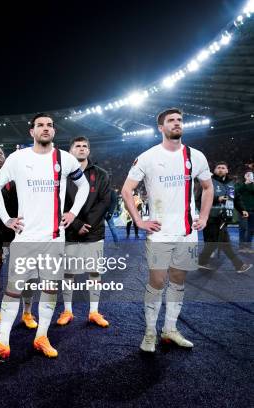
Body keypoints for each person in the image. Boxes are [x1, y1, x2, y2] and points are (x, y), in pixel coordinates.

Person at [0, 112, 89, 362]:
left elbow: (83, 186)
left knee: (49, 290)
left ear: (54, 131)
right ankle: (2, 342)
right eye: (40, 125)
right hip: (25, 238)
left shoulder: (65, 158)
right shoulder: (18, 158)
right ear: (32, 132)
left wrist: (73, 212)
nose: (46, 128)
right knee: (13, 291)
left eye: (50, 125)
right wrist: (7, 218)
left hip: (54, 239)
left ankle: (41, 336)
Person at [122, 107, 214, 353]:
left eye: (179, 120)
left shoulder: (196, 156)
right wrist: (139, 221)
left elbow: (208, 187)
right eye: (171, 120)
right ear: (160, 128)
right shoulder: (148, 157)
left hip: (187, 232)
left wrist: (203, 215)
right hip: (160, 233)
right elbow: (126, 190)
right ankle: (150, 332)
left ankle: (169, 329)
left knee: (178, 280)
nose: (176, 123)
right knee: (157, 280)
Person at [0, 146, 38, 330]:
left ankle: (27, 313)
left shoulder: (18, 174)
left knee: (26, 275)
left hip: (20, 231)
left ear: (5, 157)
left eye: (0, 154)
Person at [58, 136, 111, 328]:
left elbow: (105, 201)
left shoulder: (102, 174)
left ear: (89, 151)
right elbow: (59, 204)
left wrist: (86, 223)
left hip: (94, 231)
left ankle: (94, 311)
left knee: (94, 272)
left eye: (85, 146)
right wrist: (76, 224)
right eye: (77, 146)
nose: (81, 149)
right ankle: (67, 311)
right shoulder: (61, 176)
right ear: (71, 151)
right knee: (68, 272)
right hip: (70, 230)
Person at [198, 162, 251, 273]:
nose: (221, 169)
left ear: (227, 170)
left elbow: (236, 199)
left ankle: (201, 262)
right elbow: (198, 199)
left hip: (225, 217)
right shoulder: (209, 182)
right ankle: (239, 265)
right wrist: (217, 199)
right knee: (223, 242)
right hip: (211, 217)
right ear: (215, 170)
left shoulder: (231, 184)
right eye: (219, 168)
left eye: (223, 168)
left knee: (215, 242)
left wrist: (242, 210)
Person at [236, 170, 253, 253]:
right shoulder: (240, 184)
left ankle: (248, 247)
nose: (250, 176)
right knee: (243, 228)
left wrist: (251, 183)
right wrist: (246, 183)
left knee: (251, 229)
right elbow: (236, 191)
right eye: (248, 174)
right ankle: (242, 247)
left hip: (253, 210)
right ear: (245, 176)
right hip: (242, 210)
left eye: (251, 174)